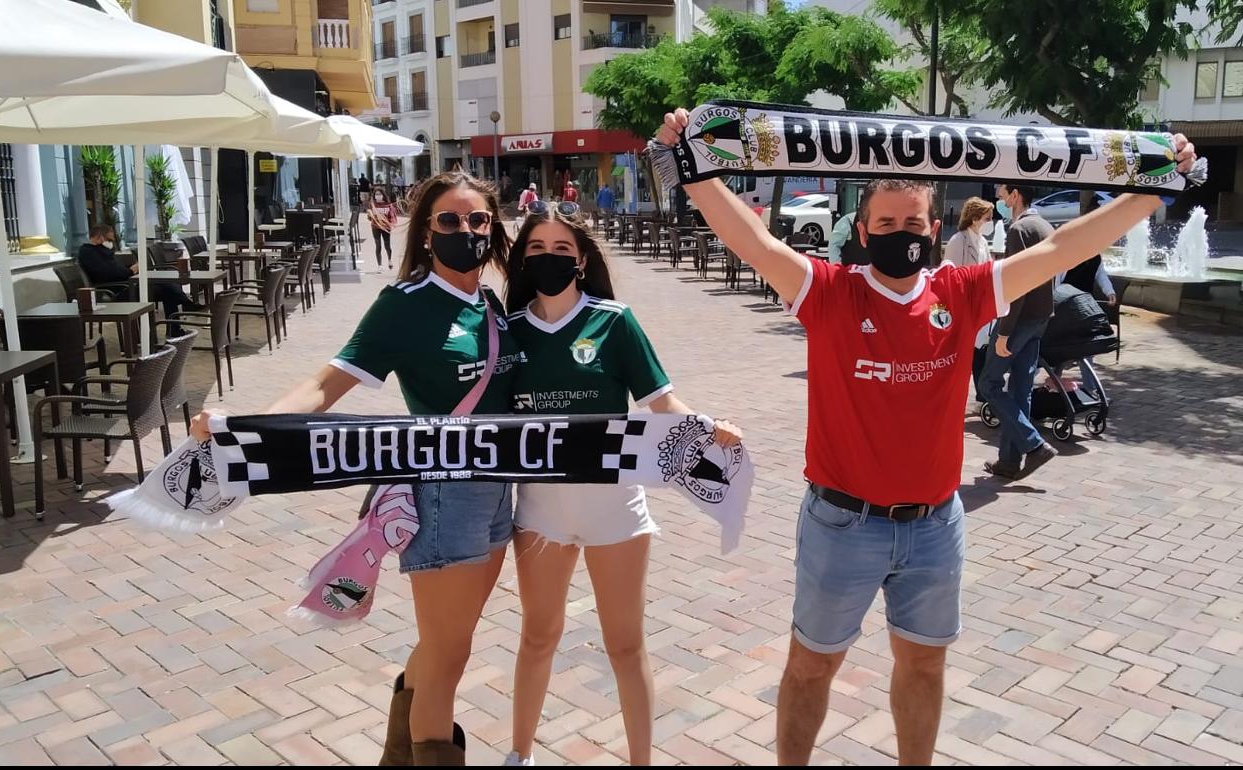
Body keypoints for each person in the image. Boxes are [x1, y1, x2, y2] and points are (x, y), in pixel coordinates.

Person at [656, 107, 1195, 765]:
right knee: (809, 669)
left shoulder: (962, 290)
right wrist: (692, 162)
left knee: (924, 669)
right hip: (841, 524)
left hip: (935, 528)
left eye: (912, 223)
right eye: (885, 224)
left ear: (933, 228)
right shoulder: (829, 292)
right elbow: (755, 243)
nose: (900, 234)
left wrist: (1152, 189)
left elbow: (1062, 249)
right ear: (862, 230)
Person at [191, 171, 521, 767]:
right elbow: (325, 384)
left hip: (499, 492)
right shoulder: (405, 305)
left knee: (452, 645)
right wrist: (246, 428)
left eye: (477, 221)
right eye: (449, 220)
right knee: (448, 658)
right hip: (445, 495)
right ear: (425, 234)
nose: (465, 231)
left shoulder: (490, 301)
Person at [499, 200, 742, 767]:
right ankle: (519, 756)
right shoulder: (505, 331)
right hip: (541, 513)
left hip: (615, 510)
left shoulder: (614, 320)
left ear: (581, 260)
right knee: (538, 637)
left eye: (562, 249)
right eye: (537, 249)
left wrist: (706, 429)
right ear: (521, 260)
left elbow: (661, 402)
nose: (549, 258)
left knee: (626, 645)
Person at [978, 184, 1058, 480]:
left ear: (1015, 195)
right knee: (1020, 389)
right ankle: (1009, 461)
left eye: (1002, 191)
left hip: (1019, 320)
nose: (998, 195)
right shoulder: (1045, 226)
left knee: (988, 384)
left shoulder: (1019, 230)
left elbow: (1017, 286)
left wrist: (1003, 332)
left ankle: (1034, 444)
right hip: (1040, 319)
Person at [76, 224, 201, 333]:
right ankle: (184, 307)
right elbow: (107, 273)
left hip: (125, 286)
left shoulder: (100, 252)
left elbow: (114, 269)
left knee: (166, 287)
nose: (112, 242)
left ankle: (176, 327)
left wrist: (130, 269)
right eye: (110, 239)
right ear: (100, 237)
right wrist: (131, 271)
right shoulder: (88, 253)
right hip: (117, 291)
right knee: (166, 287)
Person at [945, 197, 997, 397]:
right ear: (975, 218)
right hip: (962, 306)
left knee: (979, 350)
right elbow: (951, 276)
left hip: (979, 306)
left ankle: (982, 394)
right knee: (965, 352)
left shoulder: (983, 242)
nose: (990, 222)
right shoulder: (959, 241)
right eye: (987, 218)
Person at [368, 187, 399, 268]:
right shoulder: (372, 205)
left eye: (379, 194)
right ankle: (380, 265)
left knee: (387, 245)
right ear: (374, 196)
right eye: (376, 194)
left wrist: (391, 223)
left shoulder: (388, 205)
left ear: (383, 195)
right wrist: (370, 215)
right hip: (375, 227)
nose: (378, 196)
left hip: (386, 227)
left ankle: (389, 260)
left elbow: (391, 217)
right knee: (378, 246)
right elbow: (370, 218)